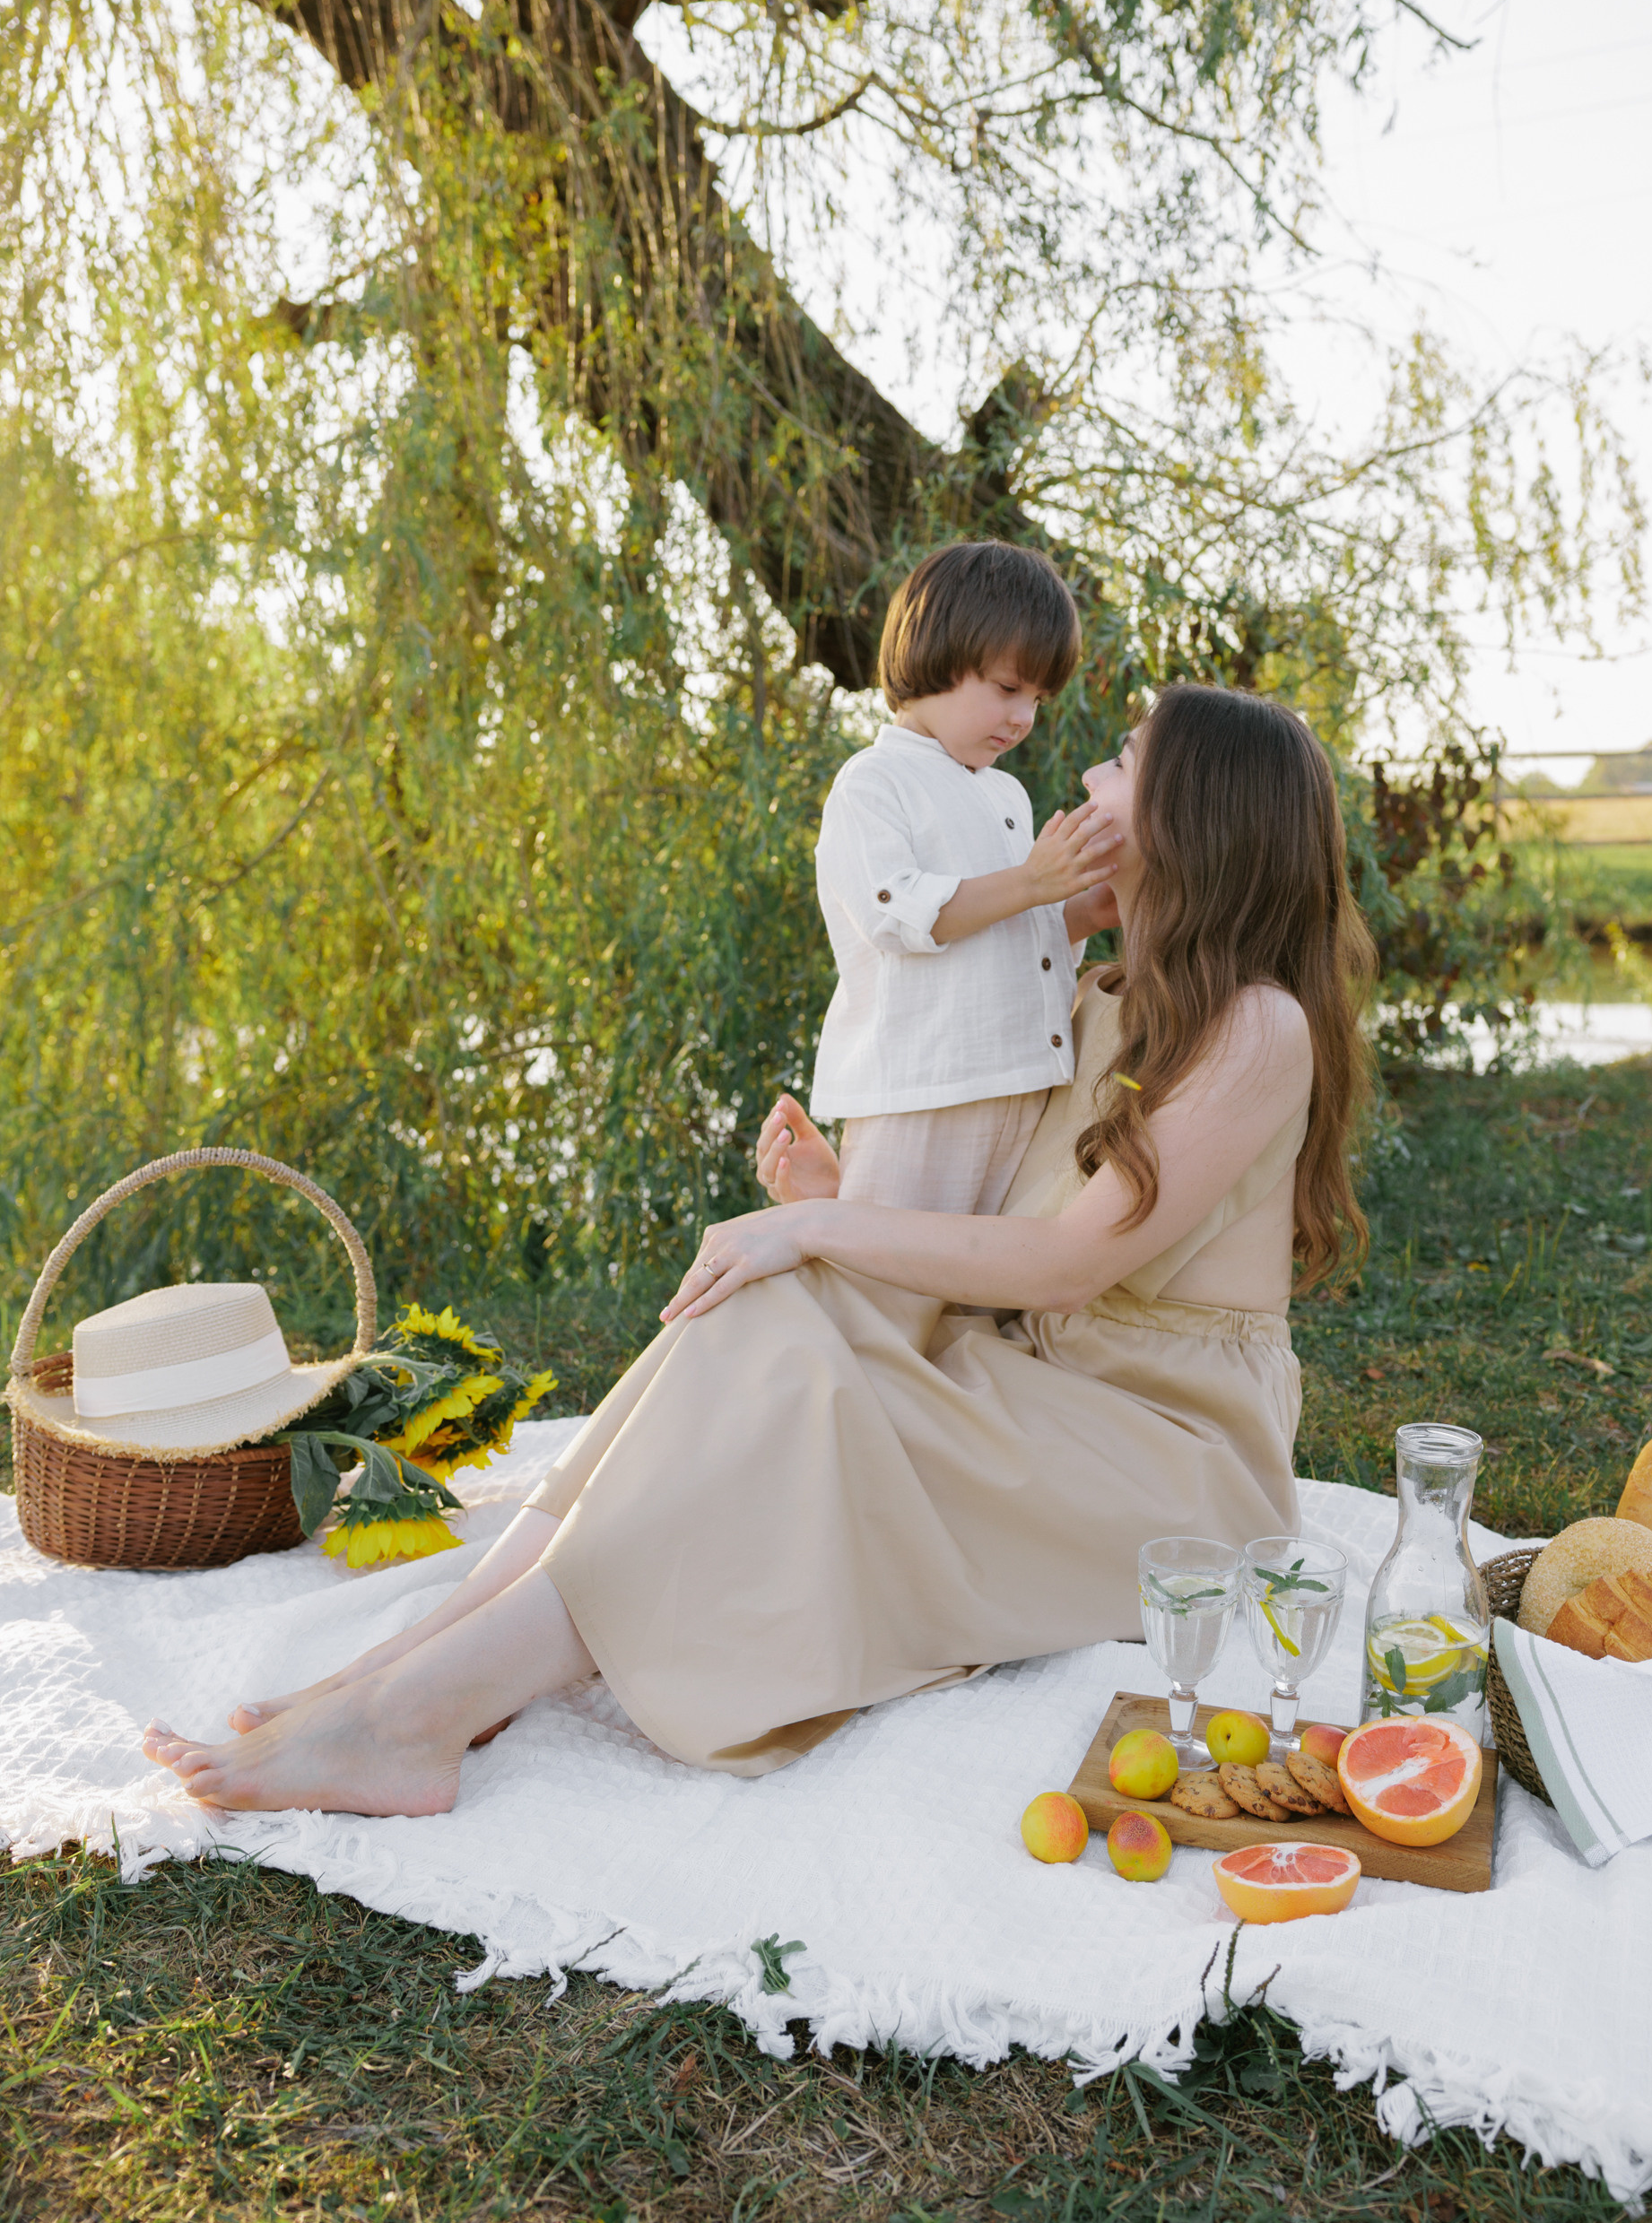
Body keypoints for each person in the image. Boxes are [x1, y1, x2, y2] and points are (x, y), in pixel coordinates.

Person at [143, 685, 1375, 1817]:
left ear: (1188, 819)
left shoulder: (1257, 1031)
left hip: (1165, 1467)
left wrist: (811, 1223)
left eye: (1120, 764)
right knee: (760, 1316)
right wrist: (833, 1194)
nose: (1083, 785)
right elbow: (1002, 1225)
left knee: (789, 1345)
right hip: (1039, 1391)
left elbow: (1061, 1263)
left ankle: (415, 1708)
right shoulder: (1104, 995)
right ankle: (425, 1665)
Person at [777, 537, 1124, 1219]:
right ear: (937, 655)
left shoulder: (1005, 795)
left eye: (1039, 699)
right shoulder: (874, 781)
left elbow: (1013, 934)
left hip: (1018, 1081)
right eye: (1006, 689)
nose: (1023, 718)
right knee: (884, 1274)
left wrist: (1079, 909)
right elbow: (900, 920)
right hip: (923, 1089)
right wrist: (1032, 881)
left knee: (975, 1287)